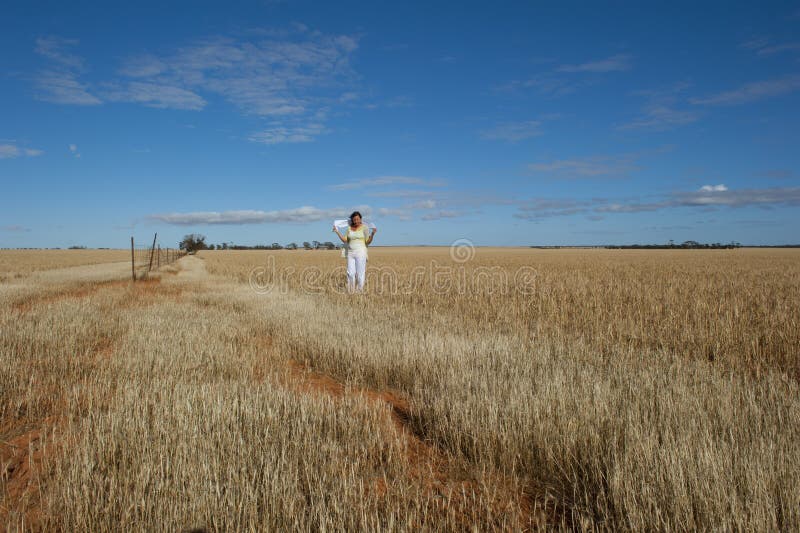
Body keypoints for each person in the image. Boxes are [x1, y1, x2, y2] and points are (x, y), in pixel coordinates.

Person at [333, 211, 376, 292]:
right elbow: (345, 240)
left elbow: (367, 242)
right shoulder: (349, 228)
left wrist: (372, 234)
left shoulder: (365, 228)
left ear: (360, 219)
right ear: (352, 220)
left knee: (360, 273)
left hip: (361, 252)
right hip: (350, 253)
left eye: (357, 219)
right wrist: (337, 232)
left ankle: (359, 291)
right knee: (350, 273)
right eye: (354, 219)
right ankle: (351, 291)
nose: (356, 221)